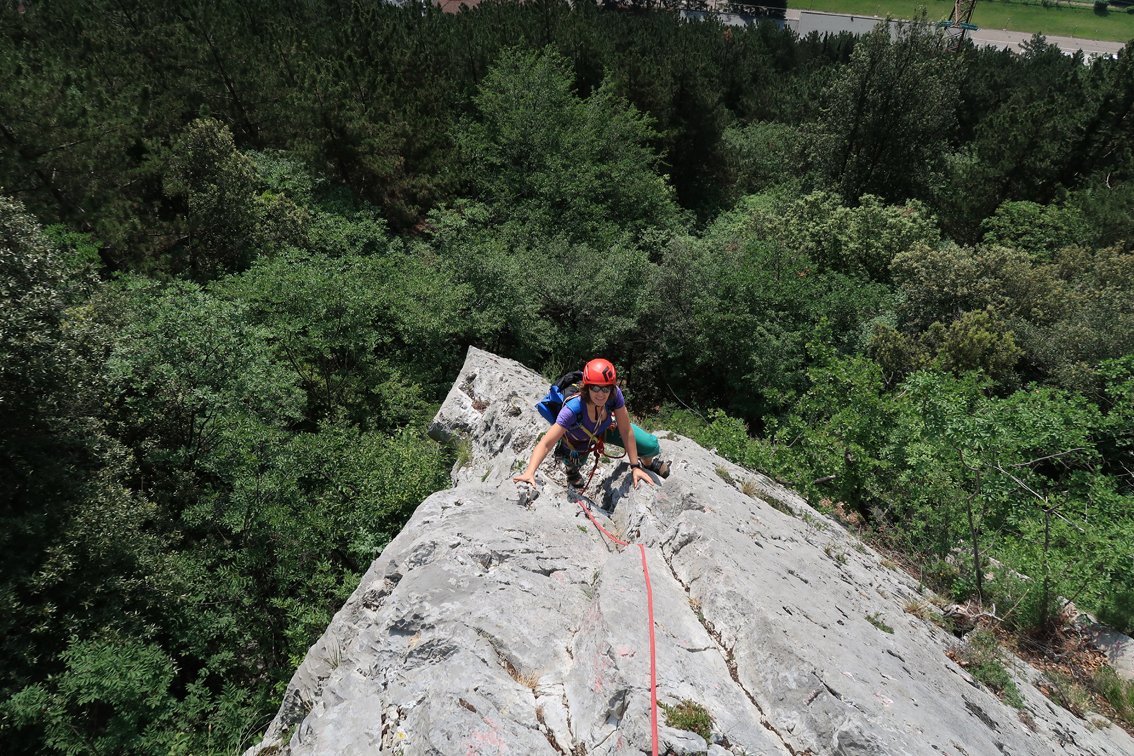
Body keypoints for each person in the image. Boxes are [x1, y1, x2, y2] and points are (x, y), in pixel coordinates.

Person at [512, 358, 670, 490]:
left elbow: (626, 430)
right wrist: (529, 472)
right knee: (575, 459)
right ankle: (571, 467)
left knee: (650, 445)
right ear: (587, 387)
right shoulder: (573, 409)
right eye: (595, 388)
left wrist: (635, 466)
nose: (601, 394)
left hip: (605, 426)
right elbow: (546, 443)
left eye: (606, 389)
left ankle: (647, 463)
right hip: (579, 437)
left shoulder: (615, 395)